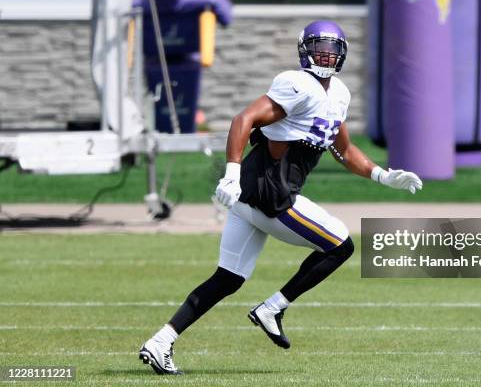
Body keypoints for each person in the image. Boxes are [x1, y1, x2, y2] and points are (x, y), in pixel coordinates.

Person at [139, 20, 422, 375]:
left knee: (228, 278)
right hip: (271, 193)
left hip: (252, 197)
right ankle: (272, 307)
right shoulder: (297, 84)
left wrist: (383, 175)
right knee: (341, 246)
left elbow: (343, 148)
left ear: (342, 55)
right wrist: (230, 172)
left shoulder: (340, 94)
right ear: (305, 50)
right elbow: (243, 119)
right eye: (320, 47)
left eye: (332, 49)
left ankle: (161, 341)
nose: (326, 54)